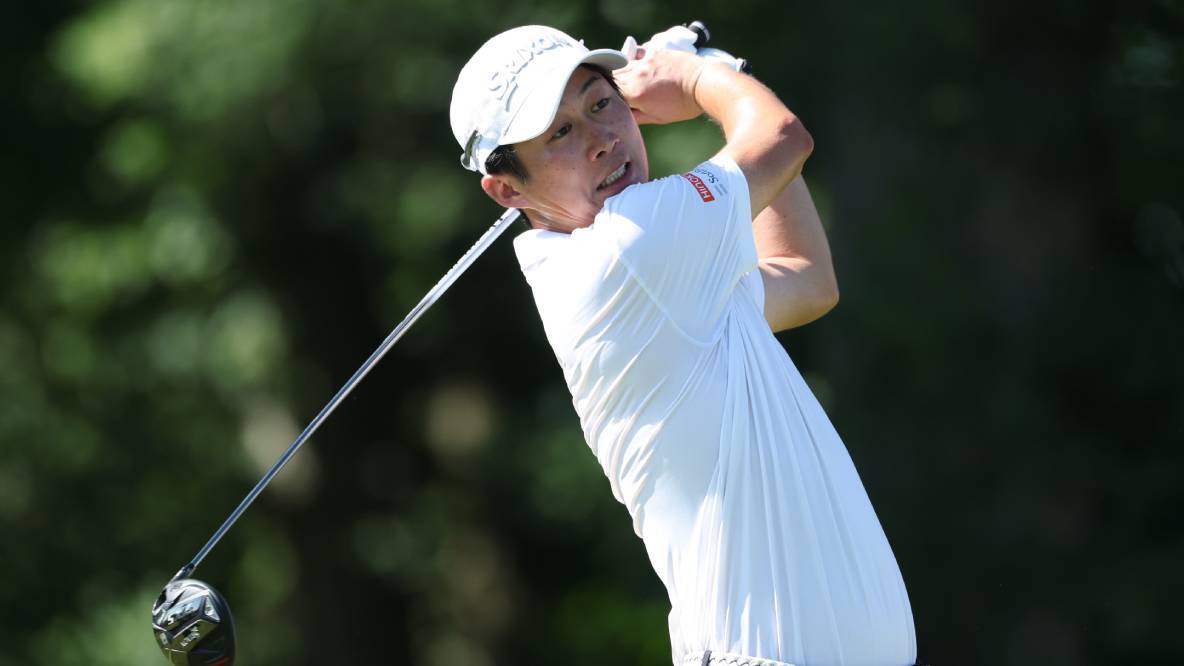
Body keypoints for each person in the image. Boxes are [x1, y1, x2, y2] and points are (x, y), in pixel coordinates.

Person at [449, 25, 917, 666]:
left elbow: (806, 278)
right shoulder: (628, 249)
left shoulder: (669, 278)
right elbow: (784, 138)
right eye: (559, 134)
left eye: (602, 102)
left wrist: (722, 79)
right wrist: (697, 78)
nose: (600, 139)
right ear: (508, 189)